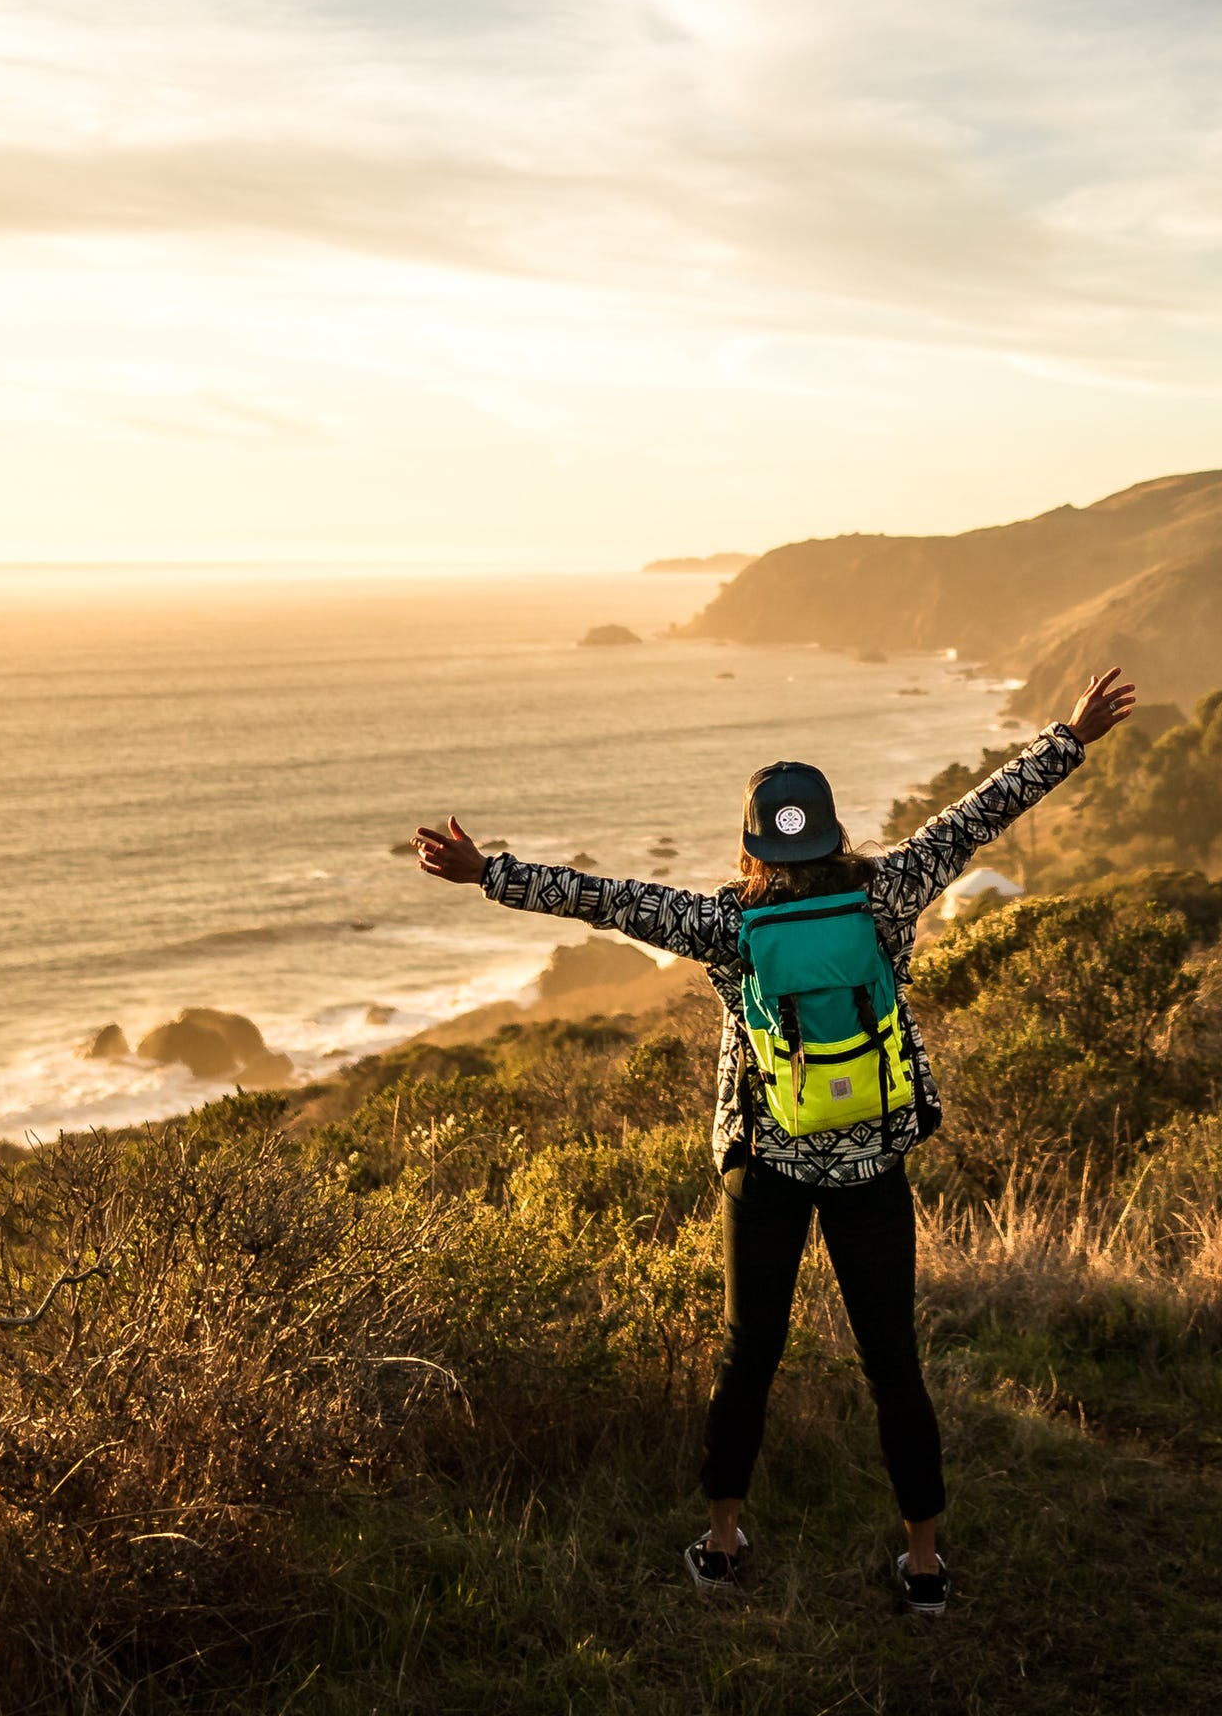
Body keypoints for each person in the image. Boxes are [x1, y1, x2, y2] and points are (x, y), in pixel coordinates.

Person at [412, 666, 1137, 1616]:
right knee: (894, 1363)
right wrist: (1070, 738)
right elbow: (975, 816)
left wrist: (488, 874)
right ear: (834, 829)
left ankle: (721, 1540)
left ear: (752, 840)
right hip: (872, 1163)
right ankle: (924, 1561)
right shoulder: (889, 895)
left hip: (769, 1165)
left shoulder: (730, 923)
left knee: (749, 1353)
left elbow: (605, 900)